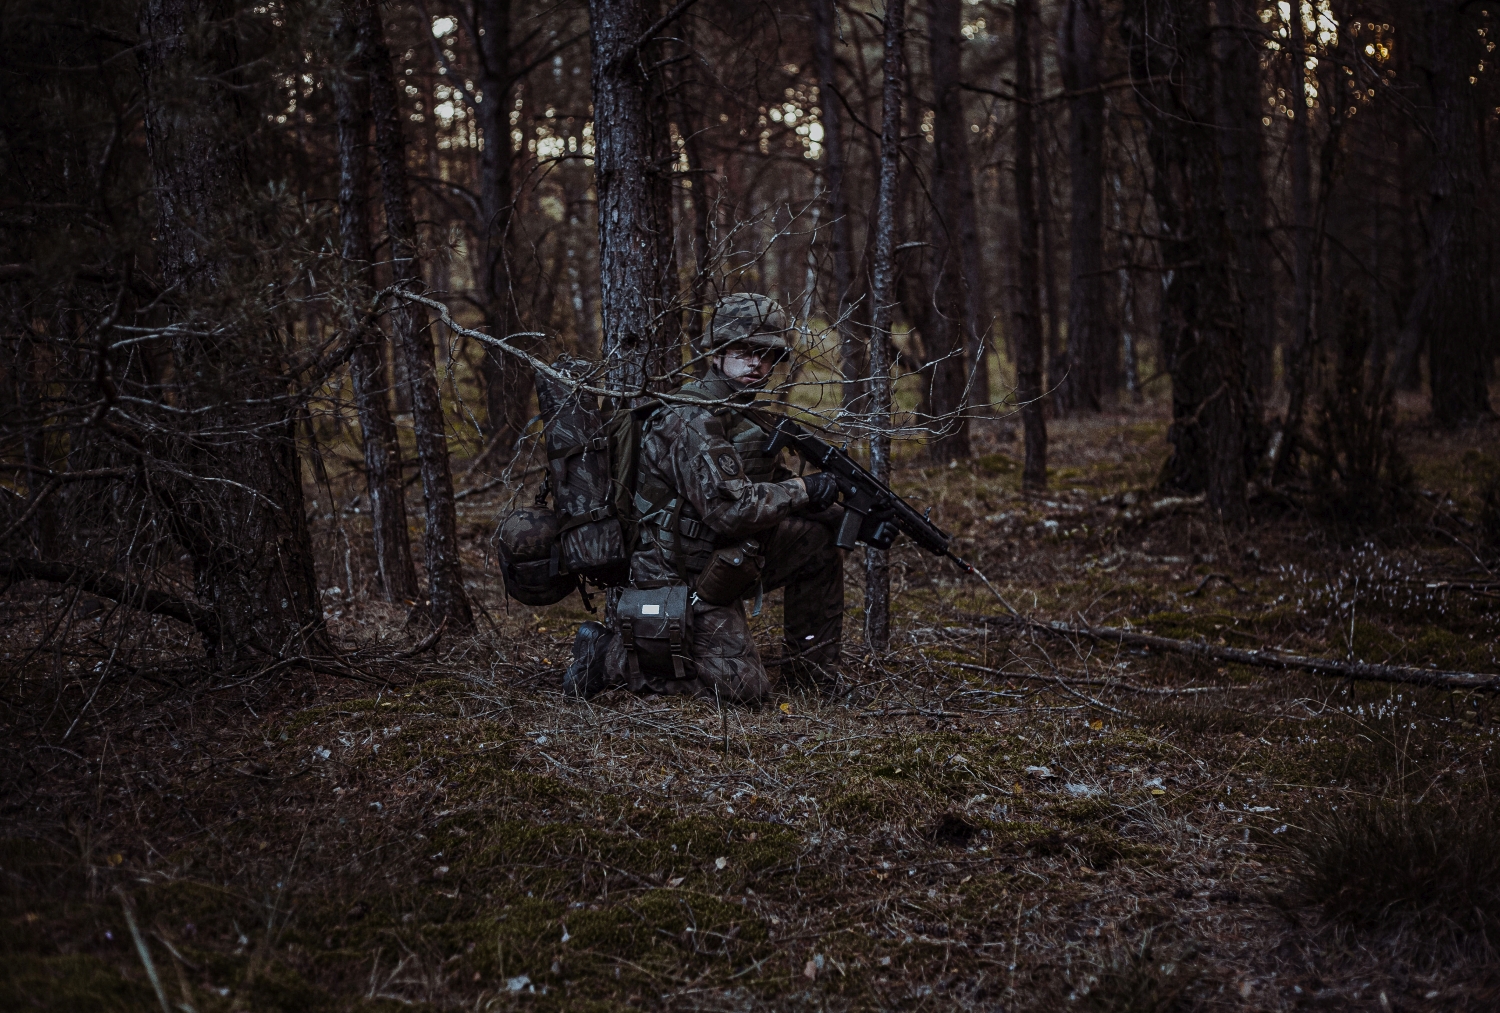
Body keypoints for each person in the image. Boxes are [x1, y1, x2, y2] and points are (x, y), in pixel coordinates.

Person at [563, 293, 844, 702]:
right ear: (717, 353)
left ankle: (812, 672)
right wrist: (803, 489)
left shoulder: (742, 414)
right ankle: (606, 658)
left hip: (724, 558)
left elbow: (760, 485)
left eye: (767, 354)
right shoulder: (691, 418)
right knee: (745, 690)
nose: (756, 363)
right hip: (676, 575)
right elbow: (733, 511)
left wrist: (838, 510)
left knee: (817, 545)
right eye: (744, 350)